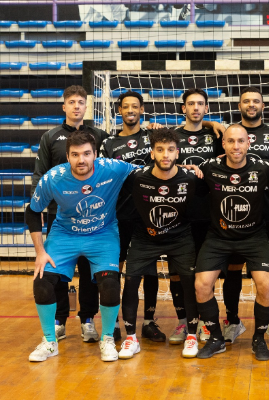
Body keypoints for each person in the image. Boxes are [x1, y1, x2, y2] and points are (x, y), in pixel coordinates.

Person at [26, 131, 139, 362]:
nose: (81, 160)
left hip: (103, 234)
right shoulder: (53, 178)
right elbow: (32, 211)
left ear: (95, 154)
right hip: (65, 234)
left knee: (110, 283)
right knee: (42, 282)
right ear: (67, 156)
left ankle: (107, 339)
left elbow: (147, 173)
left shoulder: (112, 168)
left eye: (87, 154)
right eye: (75, 155)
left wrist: (182, 169)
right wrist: (40, 252)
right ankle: (49, 342)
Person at [194, 124, 269, 361]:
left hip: (254, 237)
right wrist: (188, 168)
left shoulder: (263, 168)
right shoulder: (210, 167)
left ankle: (259, 339)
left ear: (249, 143)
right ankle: (216, 339)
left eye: (241, 141)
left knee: (266, 285)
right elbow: (188, 180)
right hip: (218, 237)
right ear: (223, 144)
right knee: (202, 285)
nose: (236, 146)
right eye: (230, 141)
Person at [117, 128, 202, 359]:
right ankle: (131, 338)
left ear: (178, 153)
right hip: (145, 238)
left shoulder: (190, 179)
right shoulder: (136, 177)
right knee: (131, 282)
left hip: (180, 238)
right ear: (152, 153)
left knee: (189, 283)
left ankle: (192, 335)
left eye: (171, 150)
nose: (166, 155)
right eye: (160, 150)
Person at [32, 85, 108, 343]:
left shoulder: (99, 135)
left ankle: (87, 319)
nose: (77, 106)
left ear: (87, 106)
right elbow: (39, 175)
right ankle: (59, 321)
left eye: (81, 102)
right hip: (59, 217)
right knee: (57, 272)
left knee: (89, 272)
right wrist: (39, 207)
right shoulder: (50, 137)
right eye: (72, 102)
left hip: (92, 214)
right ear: (64, 106)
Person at [99, 90, 174, 343]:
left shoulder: (153, 137)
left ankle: (149, 322)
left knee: (149, 270)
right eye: (125, 106)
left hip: (148, 215)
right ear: (119, 110)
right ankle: (114, 323)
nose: (130, 110)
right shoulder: (108, 144)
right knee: (115, 269)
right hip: (118, 216)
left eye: (135, 106)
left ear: (142, 110)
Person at [220, 87, 269, 346]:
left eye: (256, 101)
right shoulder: (228, 134)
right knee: (233, 268)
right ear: (239, 106)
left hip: (268, 212)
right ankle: (232, 320)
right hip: (236, 214)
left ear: (263, 106)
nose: (251, 104)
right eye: (246, 101)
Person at [173, 88, 223, 343]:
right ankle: (183, 321)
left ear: (206, 108)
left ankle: (204, 321)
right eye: (190, 104)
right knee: (178, 272)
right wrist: (184, 168)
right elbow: (163, 163)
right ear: (183, 108)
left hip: (208, 212)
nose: (195, 108)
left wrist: (215, 124)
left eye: (200, 104)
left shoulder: (216, 135)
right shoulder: (173, 136)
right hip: (179, 212)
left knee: (205, 272)